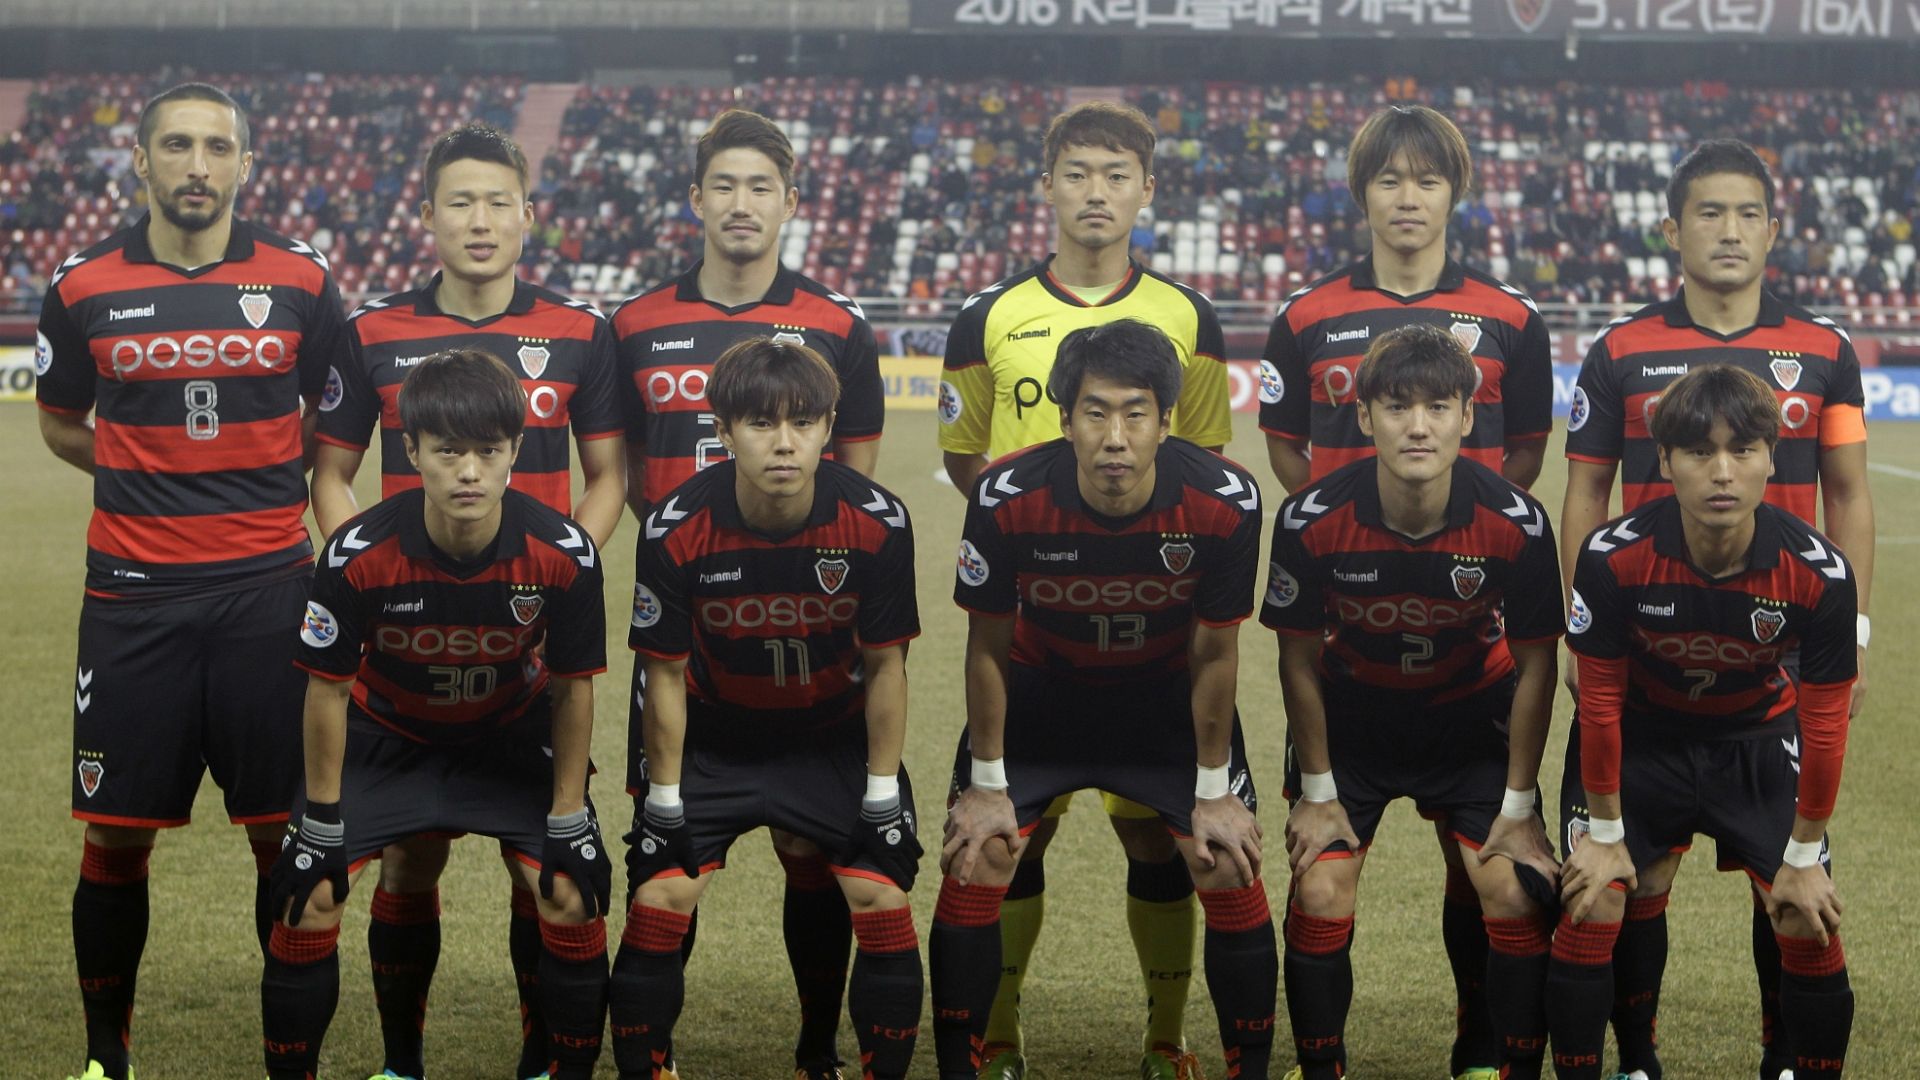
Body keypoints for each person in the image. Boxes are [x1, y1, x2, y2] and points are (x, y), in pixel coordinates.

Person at [34, 82, 348, 1080]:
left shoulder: (300, 278)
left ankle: (288, 1061)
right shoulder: (82, 285)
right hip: (132, 601)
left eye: (218, 147)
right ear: (141, 159)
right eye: (178, 145)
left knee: (280, 839)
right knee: (118, 836)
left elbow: (331, 420)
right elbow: (59, 419)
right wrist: (145, 473)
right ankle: (103, 1058)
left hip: (269, 595)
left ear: (246, 164)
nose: (198, 165)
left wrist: (250, 479)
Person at [308, 120, 626, 1080]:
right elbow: (330, 474)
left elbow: (606, 476)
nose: (480, 221)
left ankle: (543, 1057)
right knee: (411, 860)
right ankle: (403, 1062)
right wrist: (368, 585)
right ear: (428, 216)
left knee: (543, 871)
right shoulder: (371, 331)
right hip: (401, 649)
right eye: (460, 202)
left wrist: (543, 582)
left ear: (530, 216)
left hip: (522, 653)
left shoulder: (579, 331)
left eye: (498, 202)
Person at [1559, 138, 1874, 1080]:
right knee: (1632, 878)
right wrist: (1586, 622)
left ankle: (1785, 1058)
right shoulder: (1620, 349)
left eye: (1747, 214)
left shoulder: (1825, 350)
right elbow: (1586, 489)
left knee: (1782, 883)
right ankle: (1636, 1061)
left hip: (1779, 649)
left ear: (1774, 230)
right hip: (1647, 639)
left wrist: (1852, 635)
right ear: (1672, 229)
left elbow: (1850, 491)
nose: (1728, 231)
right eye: (1708, 212)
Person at [1255, 105, 1554, 1080]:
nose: (1409, 196)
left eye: (1428, 179)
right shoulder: (1304, 316)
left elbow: (1521, 455)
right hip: (1351, 645)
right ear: (1364, 193)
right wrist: (1356, 531)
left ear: (1453, 193)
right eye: (1391, 179)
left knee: (1488, 881)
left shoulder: (1513, 319)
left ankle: (1481, 1048)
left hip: (1471, 648)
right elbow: (1287, 447)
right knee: (1327, 875)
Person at [936, 101, 1233, 1080]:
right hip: (1032, 640)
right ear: (1048, 184)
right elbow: (964, 456)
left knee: (1159, 837)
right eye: (1078, 173)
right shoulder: (986, 317)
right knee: (1009, 839)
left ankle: (1166, 1039)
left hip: (1151, 640)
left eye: (1116, 174)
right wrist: (1042, 550)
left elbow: (1200, 473)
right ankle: (1001, 1038)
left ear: (1147, 189)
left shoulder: (1190, 319)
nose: (1096, 192)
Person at [610, 108, 885, 1080]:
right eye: (722, 184)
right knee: (667, 853)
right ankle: (656, 1053)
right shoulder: (634, 324)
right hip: (688, 625)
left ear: (792, 202)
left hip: (806, 632)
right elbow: (616, 468)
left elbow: (857, 488)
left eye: (760, 186)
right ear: (694, 198)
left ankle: (817, 1047)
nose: (740, 203)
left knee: (815, 858)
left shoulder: (841, 329)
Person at [932, 320, 1274, 1080]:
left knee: (1224, 863)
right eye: (1095, 413)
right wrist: (987, 783)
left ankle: (1181, 1047)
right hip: (1040, 701)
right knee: (979, 856)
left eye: (1135, 413)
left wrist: (1214, 791)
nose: (1115, 437)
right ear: (1064, 419)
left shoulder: (1225, 501)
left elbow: (1216, 650)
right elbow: (986, 646)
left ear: (1165, 420)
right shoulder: (1006, 494)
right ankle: (982, 1055)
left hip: (1164, 707)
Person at [262, 348, 612, 1080]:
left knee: (569, 891)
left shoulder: (566, 554)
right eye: (448, 451)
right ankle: (400, 1067)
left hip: (507, 738)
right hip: (387, 734)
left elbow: (574, 688)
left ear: (517, 450)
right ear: (411, 448)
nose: (470, 471)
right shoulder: (356, 554)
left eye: (489, 451)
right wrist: (321, 820)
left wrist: (570, 815)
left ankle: (549, 1068)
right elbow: (325, 691)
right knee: (309, 898)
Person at [612, 337, 924, 1080]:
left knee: (875, 894)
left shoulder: (879, 521)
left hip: (827, 734)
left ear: (828, 425)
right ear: (722, 431)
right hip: (712, 735)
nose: (783, 443)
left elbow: (886, 667)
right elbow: (662, 672)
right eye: (759, 424)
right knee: (663, 889)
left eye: (803, 422)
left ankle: (821, 1054)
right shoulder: (674, 524)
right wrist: (663, 801)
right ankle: (649, 1066)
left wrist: (881, 795)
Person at [1547, 364, 1857, 1080]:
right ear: (1664, 462)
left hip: (1757, 739)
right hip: (1643, 741)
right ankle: (1635, 1062)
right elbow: (1596, 702)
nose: (1722, 472)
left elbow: (1827, 724)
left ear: (1773, 458)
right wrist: (1603, 833)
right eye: (1698, 452)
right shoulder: (1612, 557)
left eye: (1742, 450)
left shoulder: (1820, 574)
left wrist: (1805, 855)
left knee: (1806, 912)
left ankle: (1787, 1064)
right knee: (1598, 898)